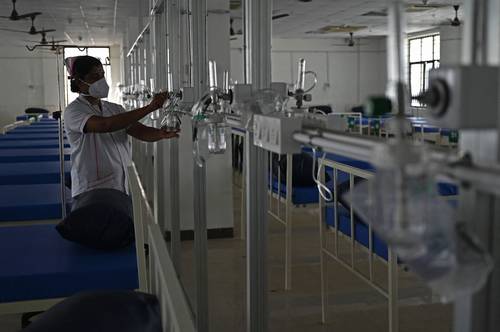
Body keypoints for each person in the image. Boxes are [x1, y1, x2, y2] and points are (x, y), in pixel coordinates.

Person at [64, 55, 178, 205]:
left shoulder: (114, 108)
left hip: (120, 184)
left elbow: (139, 131)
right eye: (94, 76)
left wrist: (159, 134)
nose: (101, 81)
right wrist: (150, 107)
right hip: (92, 188)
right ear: (79, 81)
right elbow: (106, 126)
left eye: (102, 75)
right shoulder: (74, 111)